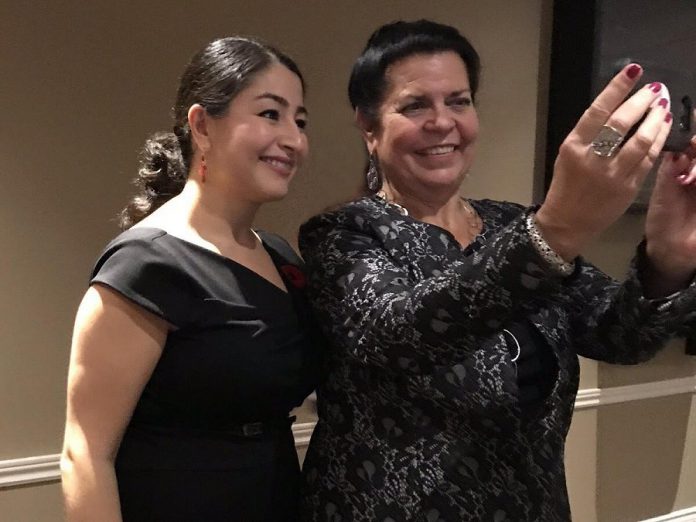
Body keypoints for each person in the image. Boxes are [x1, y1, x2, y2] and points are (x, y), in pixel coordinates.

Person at [298, 20, 696, 521]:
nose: (443, 122)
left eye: (459, 101)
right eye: (415, 105)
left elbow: (621, 336)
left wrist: (670, 258)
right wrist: (556, 231)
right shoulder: (343, 234)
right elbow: (399, 334)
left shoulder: (513, 224)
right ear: (368, 126)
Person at [60, 36, 321, 522]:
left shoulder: (280, 256)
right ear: (202, 126)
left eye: (300, 121)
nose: (293, 138)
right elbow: (84, 453)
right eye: (270, 114)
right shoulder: (148, 265)